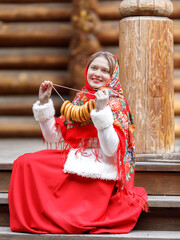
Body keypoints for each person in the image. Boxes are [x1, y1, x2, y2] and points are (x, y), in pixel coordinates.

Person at [8, 51, 148, 234]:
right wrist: (44, 103)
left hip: (101, 165)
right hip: (77, 156)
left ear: (113, 75)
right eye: (93, 68)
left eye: (105, 70)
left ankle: (54, 216)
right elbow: (54, 137)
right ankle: (32, 218)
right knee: (24, 162)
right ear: (87, 69)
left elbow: (111, 151)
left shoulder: (116, 103)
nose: (97, 73)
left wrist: (101, 113)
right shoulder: (81, 97)